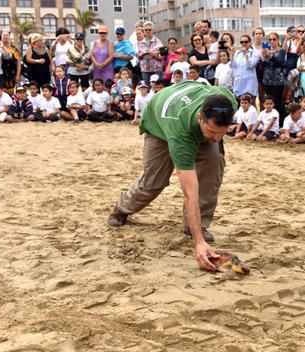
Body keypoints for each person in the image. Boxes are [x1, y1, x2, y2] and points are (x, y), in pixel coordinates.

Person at [107, 81, 237, 271]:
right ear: (201, 118)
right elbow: (189, 193)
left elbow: (215, 131)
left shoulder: (227, 103)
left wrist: (211, 134)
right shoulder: (181, 132)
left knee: (214, 165)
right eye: (211, 131)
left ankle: (195, 226)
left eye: (221, 133)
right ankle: (121, 209)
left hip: (182, 108)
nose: (216, 138)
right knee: (154, 181)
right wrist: (199, 244)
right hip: (160, 121)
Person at [262, 32, 285, 118]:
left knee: (277, 102)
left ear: (278, 40)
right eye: (270, 39)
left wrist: (271, 56)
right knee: (268, 101)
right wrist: (263, 58)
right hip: (267, 80)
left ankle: (280, 121)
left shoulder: (281, 50)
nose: (272, 41)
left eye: (274, 39)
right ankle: (269, 120)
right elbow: (263, 66)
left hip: (277, 80)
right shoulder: (267, 50)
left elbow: (280, 63)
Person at [0, 31, 21, 95]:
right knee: (0, 92)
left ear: (9, 37)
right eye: (4, 35)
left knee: (11, 93)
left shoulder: (14, 49)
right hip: (0, 73)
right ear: (1, 36)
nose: (5, 36)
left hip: (11, 74)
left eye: (7, 35)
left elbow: (18, 62)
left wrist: (18, 75)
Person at [252, 27, 267, 106]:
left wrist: (264, 57)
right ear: (254, 35)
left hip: (263, 72)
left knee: (262, 97)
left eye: (260, 34)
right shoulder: (251, 47)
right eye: (256, 34)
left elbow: (268, 59)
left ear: (262, 35)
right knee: (253, 97)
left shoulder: (266, 46)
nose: (258, 35)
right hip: (253, 72)